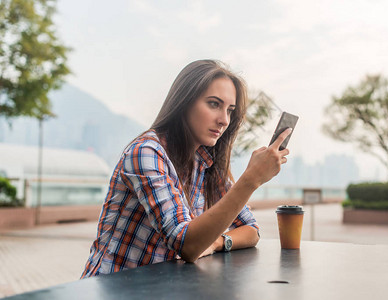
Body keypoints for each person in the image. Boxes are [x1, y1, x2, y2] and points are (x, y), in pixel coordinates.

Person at [81, 59, 291, 278]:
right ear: (184, 102)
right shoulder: (147, 153)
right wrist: (251, 180)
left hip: (163, 290)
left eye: (230, 110)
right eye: (213, 104)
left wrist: (218, 242)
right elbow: (187, 246)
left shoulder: (205, 164)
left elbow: (251, 230)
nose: (224, 120)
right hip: (115, 290)